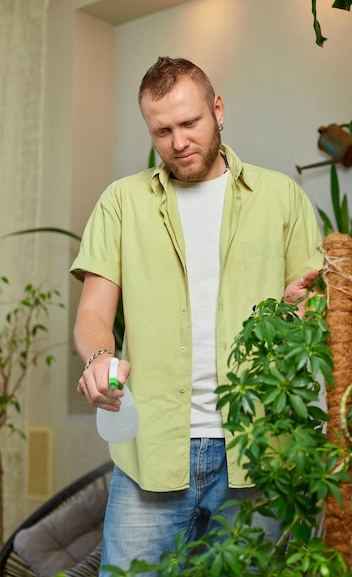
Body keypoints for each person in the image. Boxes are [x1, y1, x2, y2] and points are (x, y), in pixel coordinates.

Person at [71, 56, 323, 575]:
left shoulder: (282, 198)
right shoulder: (122, 202)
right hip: (153, 452)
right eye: (161, 130)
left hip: (261, 447)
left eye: (190, 123)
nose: (178, 141)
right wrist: (99, 358)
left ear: (218, 109)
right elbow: (94, 312)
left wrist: (304, 308)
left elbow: (316, 311)